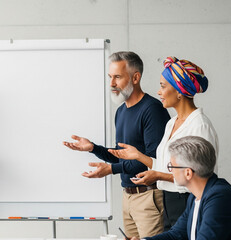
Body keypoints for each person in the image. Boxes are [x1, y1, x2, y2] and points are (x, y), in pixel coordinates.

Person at [63, 51, 170, 238]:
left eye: (118, 77)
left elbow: (152, 160)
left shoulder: (152, 109)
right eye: (110, 77)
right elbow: (121, 156)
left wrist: (111, 170)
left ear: (135, 77)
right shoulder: (121, 111)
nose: (112, 83)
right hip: (128, 196)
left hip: (148, 197)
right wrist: (93, 148)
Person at [109, 56, 218, 230]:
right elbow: (165, 167)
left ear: (179, 91)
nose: (159, 92)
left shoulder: (199, 125)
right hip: (168, 201)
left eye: (163, 86)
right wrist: (139, 156)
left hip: (188, 202)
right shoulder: (171, 123)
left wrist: (159, 176)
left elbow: (199, 177)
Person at [129, 136, 231, 240]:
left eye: (172, 166)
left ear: (188, 173)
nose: (170, 171)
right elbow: (177, 234)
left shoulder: (220, 198)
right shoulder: (196, 196)